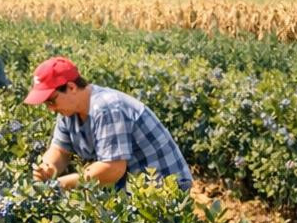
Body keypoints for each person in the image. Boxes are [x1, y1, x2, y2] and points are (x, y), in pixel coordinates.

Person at [26, 55, 192, 191]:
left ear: (71, 87)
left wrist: (61, 185)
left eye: (51, 101)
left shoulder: (106, 108)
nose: (51, 109)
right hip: (134, 188)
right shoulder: (68, 112)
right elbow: (60, 151)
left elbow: (112, 169)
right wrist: (47, 168)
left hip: (166, 189)